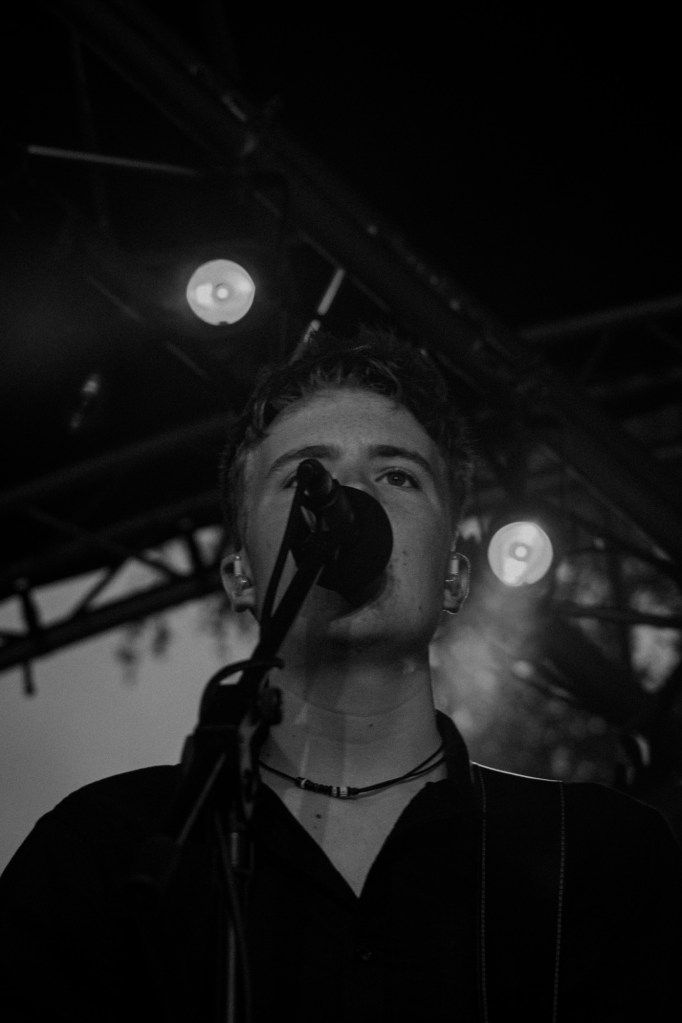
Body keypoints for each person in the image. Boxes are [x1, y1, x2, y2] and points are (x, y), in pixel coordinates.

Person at [1, 328, 680, 1022]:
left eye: (397, 476)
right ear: (241, 575)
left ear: (454, 576)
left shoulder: (601, 855)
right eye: (305, 478)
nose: (349, 501)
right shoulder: (103, 853)